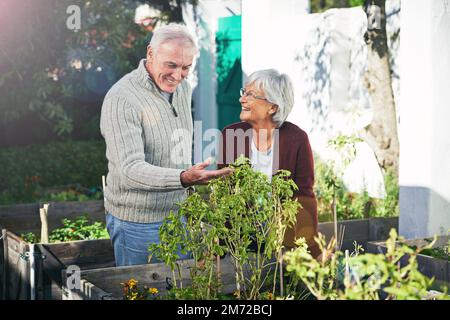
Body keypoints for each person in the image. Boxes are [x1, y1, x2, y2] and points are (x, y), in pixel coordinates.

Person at [100, 24, 232, 266]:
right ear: (151, 54)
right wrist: (184, 177)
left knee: (180, 293)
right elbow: (130, 170)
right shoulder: (122, 99)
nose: (178, 75)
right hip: (138, 223)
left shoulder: (183, 89)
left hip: (179, 217)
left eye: (186, 67)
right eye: (171, 65)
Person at [218, 69, 321, 258]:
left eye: (251, 95)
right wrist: (220, 248)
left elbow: (304, 196)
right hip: (240, 242)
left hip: (283, 241)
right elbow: (226, 197)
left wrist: (313, 251)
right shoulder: (231, 136)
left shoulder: (296, 139)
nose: (242, 99)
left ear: (272, 107)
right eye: (244, 92)